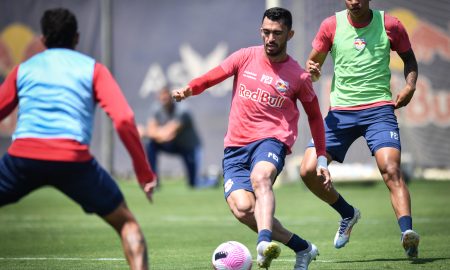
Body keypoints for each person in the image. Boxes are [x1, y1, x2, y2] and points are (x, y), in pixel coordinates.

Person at [173, 7, 330, 270]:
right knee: (244, 209)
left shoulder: (299, 76)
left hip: (271, 141)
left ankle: (263, 243)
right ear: (261, 30)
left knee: (261, 178)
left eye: (278, 33)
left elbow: (315, 117)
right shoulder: (245, 56)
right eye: (267, 32)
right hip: (235, 146)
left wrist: (322, 158)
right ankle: (303, 248)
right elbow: (213, 76)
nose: (271, 38)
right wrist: (190, 89)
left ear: (289, 34)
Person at [0, 8, 157, 270]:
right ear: (76, 37)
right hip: (72, 160)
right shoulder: (93, 69)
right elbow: (124, 120)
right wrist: (144, 173)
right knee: (127, 224)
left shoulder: (22, 70)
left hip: (22, 159)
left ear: (43, 39)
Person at [299, 0, 420, 259]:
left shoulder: (390, 24)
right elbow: (312, 67)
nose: (353, 1)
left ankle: (407, 234)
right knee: (307, 170)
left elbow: (410, 60)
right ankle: (347, 213)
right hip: (340, 114)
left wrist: (410, 86)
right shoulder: (331, 25)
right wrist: (313, 70)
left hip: (379, 111)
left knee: (391, 170)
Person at [139, 86, 218, 189]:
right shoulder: (156, 108)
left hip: (189, 147)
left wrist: (144, 131)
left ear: (171, 96)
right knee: (150, 144)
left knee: (194, 184)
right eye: (161, 97)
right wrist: (155, 133)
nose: (164, 100)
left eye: (166, 96)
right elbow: (154, 130)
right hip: (172, 145)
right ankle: (152, 180)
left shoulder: (183, 110)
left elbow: (168, 134)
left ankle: (213, 180)